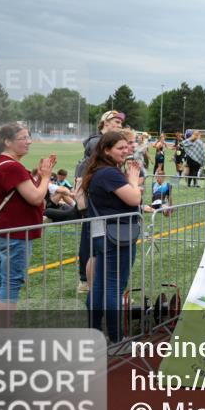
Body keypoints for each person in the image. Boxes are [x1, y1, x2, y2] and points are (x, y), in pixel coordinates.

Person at [0, 123, 57, 310]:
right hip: (15, 234)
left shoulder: (2, 163)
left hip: (5, 231)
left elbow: (29, 194)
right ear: (7, 141)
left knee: (1, 278)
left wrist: (40, 176)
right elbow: (36, 197)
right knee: (12, 282)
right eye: (23, 138)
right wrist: (47, 177)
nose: (29, 142)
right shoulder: (12, 167)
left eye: (28, 137)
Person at [83, 131, 143, 342]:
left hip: (104, 233)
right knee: (113, 287)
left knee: (99, 285)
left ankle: (95, 333)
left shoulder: (100, 171)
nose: (125, 151)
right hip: (116, 236)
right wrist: (133, 180)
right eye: (120, 148)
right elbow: (134, 198)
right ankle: (116, 338)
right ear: (106, 150)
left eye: (127, 146)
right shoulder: (109, 173)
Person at [75, 110, 125, 293]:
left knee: (95, 238)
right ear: (104, 123)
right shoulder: (98, 141)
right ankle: (86, 281)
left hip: (99, 196)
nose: (119, 124)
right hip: (94, 198)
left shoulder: (102, 142)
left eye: (120, 122)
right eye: (115, 121)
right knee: (91, 238)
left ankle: (90, 281)